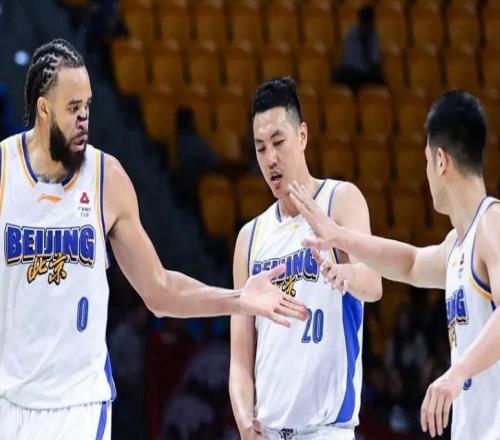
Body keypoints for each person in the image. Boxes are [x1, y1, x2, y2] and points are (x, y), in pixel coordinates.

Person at [0, 39, 308, 439]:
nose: (84, 119)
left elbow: (159, 290)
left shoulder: (106, 178)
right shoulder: (5, 173)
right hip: (10, 401)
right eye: (73, 108)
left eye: (88, 106)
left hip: (78, 406)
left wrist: (239, 299)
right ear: (44, 109)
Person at [288, 90, 500, 439]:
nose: (427, 173)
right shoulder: (458, 245)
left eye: (426, 161)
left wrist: (457, 372)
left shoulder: (492, 224)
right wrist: (339, 236)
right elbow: (410, 264)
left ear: (441, 161)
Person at [229, 76, 382, 440]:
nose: (270, 158)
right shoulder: (249, 238)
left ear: (302, 136)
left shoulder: (341, 201)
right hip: (268, 431)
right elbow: (240, 359)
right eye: (260, 148)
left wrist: (342, 273)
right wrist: (245, 423)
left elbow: (373, 284)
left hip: (326, 430)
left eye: (278, 142)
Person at [334, 5, 384, 91]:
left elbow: (375, 58)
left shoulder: (374, 35)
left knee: (379, 79)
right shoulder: (351, 34)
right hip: (353, 70)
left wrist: (371, 67)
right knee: (343, 75)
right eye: (364, 22)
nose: (366, 26)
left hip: (367, 71)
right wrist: (365, 69)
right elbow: (351, 60)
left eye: (369, 22)